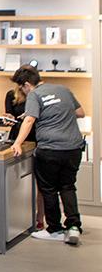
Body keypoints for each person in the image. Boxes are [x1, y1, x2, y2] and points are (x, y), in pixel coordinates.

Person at [12, 66, 86, 245]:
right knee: (68, 186)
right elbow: (80, 113)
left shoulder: (34, 95)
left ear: (27, 84)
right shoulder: (63, 89)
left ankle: (54, 229)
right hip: (73, 148)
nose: (21, 90)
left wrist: (17, 143)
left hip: (50, 150)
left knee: (49, 189)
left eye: (21, 87)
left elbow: (29, 120)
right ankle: (73, 227)